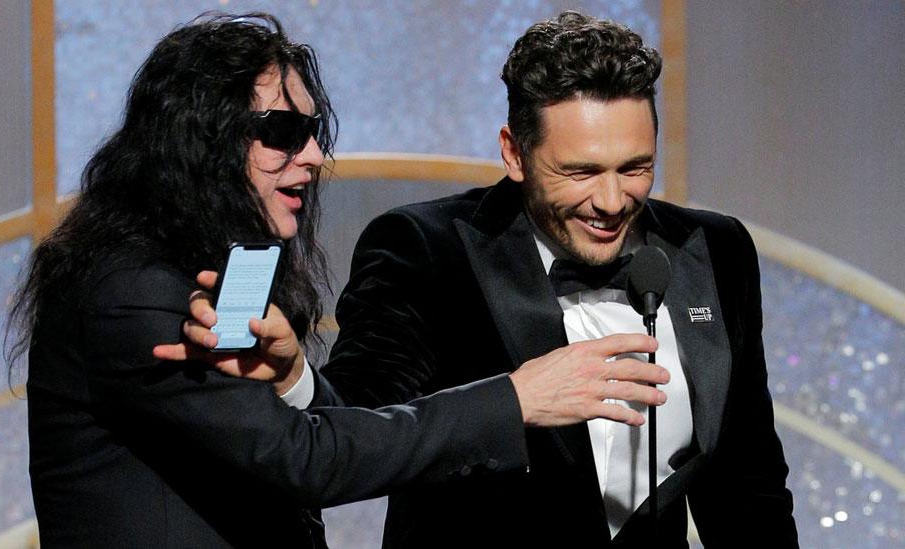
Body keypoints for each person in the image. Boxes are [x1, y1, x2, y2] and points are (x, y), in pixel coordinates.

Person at [6, 13, 672, 548]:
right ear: (200, 139)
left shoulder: (217, 269)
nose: (315, 156)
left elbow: (295, 445)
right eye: (283, 132)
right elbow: (308, 462)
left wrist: (296, 379)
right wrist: (516, 398)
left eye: (314, 131)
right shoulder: (134, 291)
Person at [176, 10, 798, 548]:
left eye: (635, 167)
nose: (612, 199)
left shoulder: (713, 249)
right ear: (513, 153)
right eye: (580, 172)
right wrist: (292, 378)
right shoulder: (426, 250)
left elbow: (748, 482)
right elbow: (360, 422)